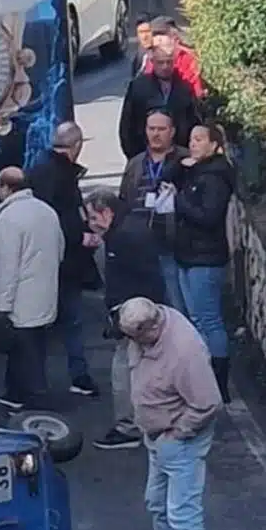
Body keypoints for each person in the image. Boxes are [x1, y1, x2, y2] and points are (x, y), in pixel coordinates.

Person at [119, 297, 222, 530]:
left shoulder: (184, 353)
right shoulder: (146, 325)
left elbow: (207, 403)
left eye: (136, 338)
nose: (132, 345)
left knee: (183, 515)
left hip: (178, 439)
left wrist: (178, 433)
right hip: (159, 437)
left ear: (152, 328)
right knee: (158, 505)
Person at [84, 189, 166, 450]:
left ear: (107, 213)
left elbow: (124, 282)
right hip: (143, 310)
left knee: (122, 371)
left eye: (93, 217)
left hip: (133, 314)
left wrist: (121, 319)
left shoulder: (122, 238)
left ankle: (128, 426)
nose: (91, 224)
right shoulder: (131, 229)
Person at [28, 122, 102, 397]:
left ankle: (34, 381)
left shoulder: (40, 169)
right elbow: (64, 215)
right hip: (66, 260)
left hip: (44, 259)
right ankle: (78, 375)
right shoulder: (61, 175)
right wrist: (80, 236)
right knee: (70, 321)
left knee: (40, 323)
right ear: (77, 146)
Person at [165, 124, 235, 402]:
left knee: (209, 320)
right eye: (191, 138)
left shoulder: (216, 178)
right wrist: (182, 166)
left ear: (215, 145)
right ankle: (203, 377)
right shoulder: (196, 171)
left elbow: (208, 217)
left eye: (199, 139)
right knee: (196, 319)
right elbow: (168, 178)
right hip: (188, 253)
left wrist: (179, 200)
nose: (192, 144)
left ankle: (219, 382)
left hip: (205, 257)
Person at [0, 167, 65, 411]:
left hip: (21, 298)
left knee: (24, 350)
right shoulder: (48, 212)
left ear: (3, 187)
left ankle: (32, 399)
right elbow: (60, 251)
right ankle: (15, 392)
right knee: (35, 348)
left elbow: (4, 267)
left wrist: (0, 306)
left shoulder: (8, 219)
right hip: (46, 293)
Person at [118, 108, 188, 312]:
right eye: (151, 128)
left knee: (175, 302)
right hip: (139, 245)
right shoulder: (136, 164)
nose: (155, 134)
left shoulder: (184, 161)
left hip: (172, 243)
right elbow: (124, 201)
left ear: (172, 131)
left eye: (161, 129)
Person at [119, 37, 200, 161]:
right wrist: (134, 156)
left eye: (169, 62)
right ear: (153, 62)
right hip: (144, 153)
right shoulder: (138, 87)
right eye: (160, 62)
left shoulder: (184, 89)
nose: (165, 66)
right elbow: (127, 124)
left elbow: (193, 122)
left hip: (177, 155)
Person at [144, 17, 205, 98]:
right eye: (154, 35)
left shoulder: (187, 59)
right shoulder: (150, 59)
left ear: (175, 39)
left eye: (161, 35)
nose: (157, 39)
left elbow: (196, 92)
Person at [130, 14, 154, 79]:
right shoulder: (139, 54)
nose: (144, 37)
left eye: (147, 31)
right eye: (141, 32)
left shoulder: (162, 54)